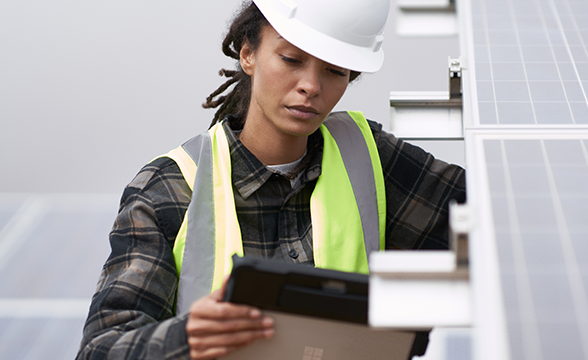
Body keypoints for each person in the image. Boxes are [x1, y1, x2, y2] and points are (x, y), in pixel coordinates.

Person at [76, 0, 466, 359]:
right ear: (248, 53)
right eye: (292, 59)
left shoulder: (370, 157)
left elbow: (498, 223)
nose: (312, 86)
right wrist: (187, 338)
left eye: (335, 70)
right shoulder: (171, 190)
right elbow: (101, 349)